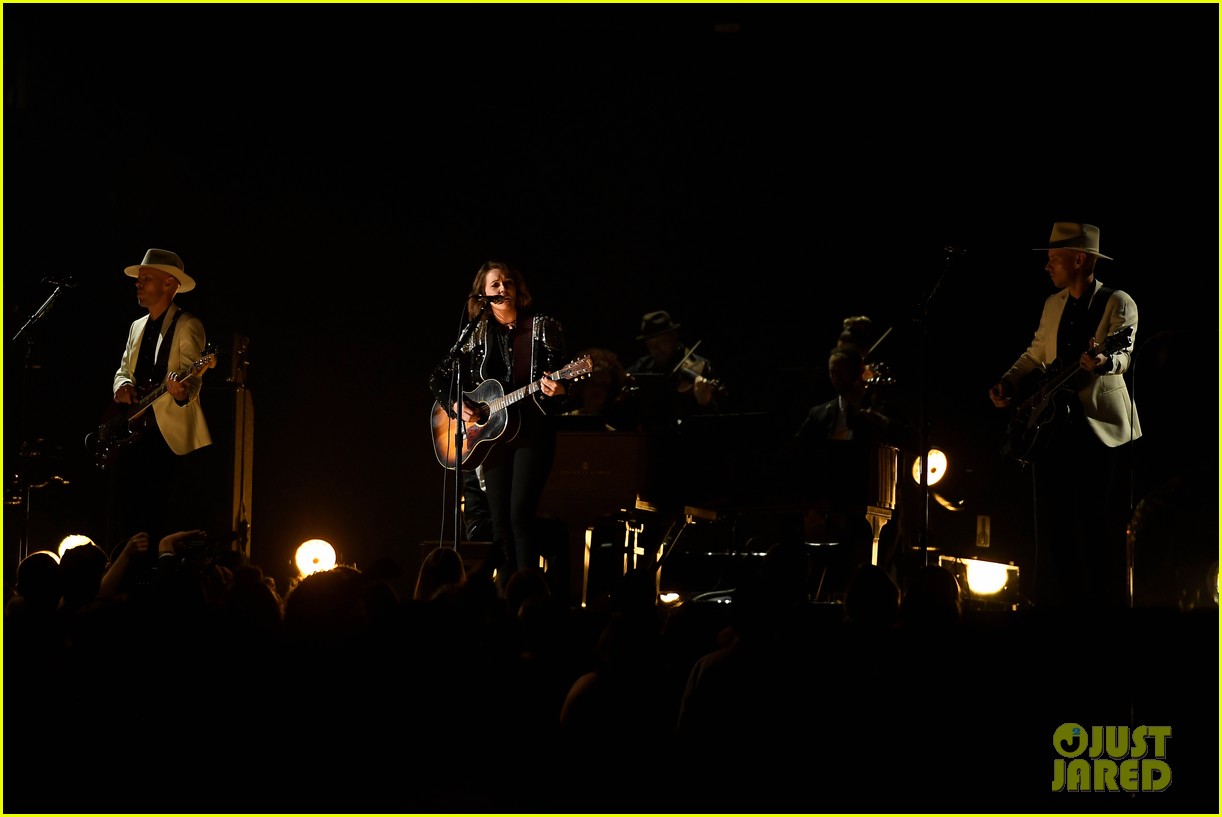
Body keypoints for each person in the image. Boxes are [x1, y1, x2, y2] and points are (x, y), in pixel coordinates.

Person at [988, 222, 1140, 611]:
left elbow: (1123, 354)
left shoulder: (1116, 301)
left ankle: (1101, 609)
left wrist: (1104, 360)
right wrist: (1008, 380)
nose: (1047, 266)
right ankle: (1057, 606)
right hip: (1055, 427)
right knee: (1053, 524)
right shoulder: (1053, 303)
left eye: (1054, 258)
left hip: (1098, 428)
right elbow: (1036, 352)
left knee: (1094, 523)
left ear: (1079, 259)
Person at [428, 260, 570, 591]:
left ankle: (529, 594)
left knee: (520, 516)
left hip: (532, 432)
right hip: (492, 438)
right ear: (482, 294)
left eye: (507, 283)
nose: (502, 288)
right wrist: (455, 405)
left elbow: (565, 392)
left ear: (518, 289)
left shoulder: (542, 327)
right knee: (500, 524)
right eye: (494, 285)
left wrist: (561, 388)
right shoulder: (476, 334)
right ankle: (508, 597)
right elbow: (437, 377)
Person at [105, 248, 214, 554]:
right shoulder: (136, 326)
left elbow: (193, 376)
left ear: (169, 283)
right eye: (139, 279)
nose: (138, 284)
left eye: (146, 278)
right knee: (128, 517)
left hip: (166, 437)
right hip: (132, 434)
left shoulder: (188, 324)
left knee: (158, 515)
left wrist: (183, 392)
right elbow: (123, 368)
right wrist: (123, 385)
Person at [624, 310, 720, 429]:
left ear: (673, 336)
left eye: (661, 342)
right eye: (651, 345)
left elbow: (716, 419)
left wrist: (706, 402)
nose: (656, 349)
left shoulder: (700, 366)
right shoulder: (642, 365)